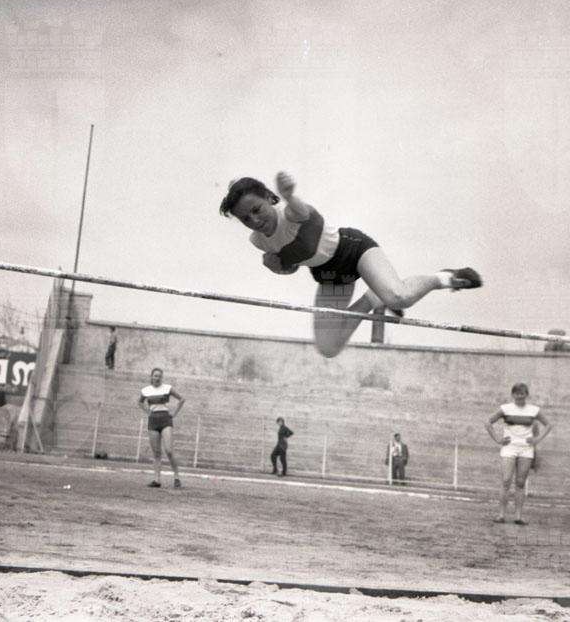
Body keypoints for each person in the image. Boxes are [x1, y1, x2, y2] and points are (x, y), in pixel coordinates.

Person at [220, 172, 482, 358]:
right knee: (329, 347)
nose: (254, 221)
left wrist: (290, 196)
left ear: (269, 197)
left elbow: (301, 212)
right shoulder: (258, 241)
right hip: (329, 274)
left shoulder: (289, 212)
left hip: (353, 249)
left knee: (400, 297)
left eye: (256, 209)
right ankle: (372, 298)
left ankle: (443, 278)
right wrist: (276, 267)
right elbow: (293, 266)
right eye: (245, 219)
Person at [484, 382, 552, 525]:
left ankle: (518, 517)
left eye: (522, 393)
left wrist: (537, 439)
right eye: (517, 393)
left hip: (526, 449)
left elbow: (548, 425)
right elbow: (488, 422)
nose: (519, 396)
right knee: (506, 481)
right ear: (512, 394)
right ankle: (501, 515)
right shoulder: (505, 408)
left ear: (526, 395)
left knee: (520, 483)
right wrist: (497, 439)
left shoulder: (533, 410)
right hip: (509, 448)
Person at [138, 367, 186, 488]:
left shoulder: (167, 388)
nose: (157, 378)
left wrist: (174, 413)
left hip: (165, 419)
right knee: (156, 452)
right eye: (155, 376)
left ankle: (176, 477)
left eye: (159, 376)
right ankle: (157, 480)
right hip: (153, 420)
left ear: (162, 377)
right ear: (151, 377)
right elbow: (140, 402)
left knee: (169, 450)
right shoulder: (146, 390)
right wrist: (148, 411)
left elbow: (182, 399)